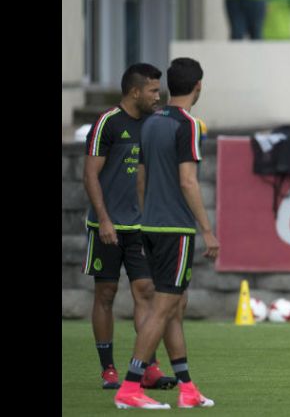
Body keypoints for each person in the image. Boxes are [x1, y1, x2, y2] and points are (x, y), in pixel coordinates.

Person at [113, 58, 219, 409]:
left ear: (171, 85)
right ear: (199, 86)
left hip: (151, 225)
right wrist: (207, 230)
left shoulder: (151, 122)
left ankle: (187, 389)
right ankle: (130, 386)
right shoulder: (188, 125)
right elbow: (188, 181)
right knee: (163, 309)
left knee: (174, 307)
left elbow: (140, 179)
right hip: (175, 229)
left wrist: (146, 217)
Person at [82, 63, 177, 391]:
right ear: (135, 91)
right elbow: (90, 173)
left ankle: (147, 366)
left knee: (146, 291)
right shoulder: (108, 122)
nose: (157, 96)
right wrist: (105, 219)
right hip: (105, 225)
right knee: (106, 292)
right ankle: (107, 368)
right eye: (152, 90)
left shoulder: (154, 124)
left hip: (141, 226)